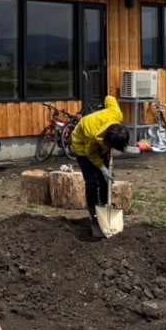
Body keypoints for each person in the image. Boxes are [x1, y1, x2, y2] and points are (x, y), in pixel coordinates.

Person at [71, 95, 131, 238]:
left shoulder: (116, 114)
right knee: (92, 182)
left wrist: (104, 170)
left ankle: (104, 207)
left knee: (105, 181)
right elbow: (90, 155)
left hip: (101, 143)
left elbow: (109, 98)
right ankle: (94, 214)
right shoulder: (92, 135)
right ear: (108, 142)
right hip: (82, 146)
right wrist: (103, 169)